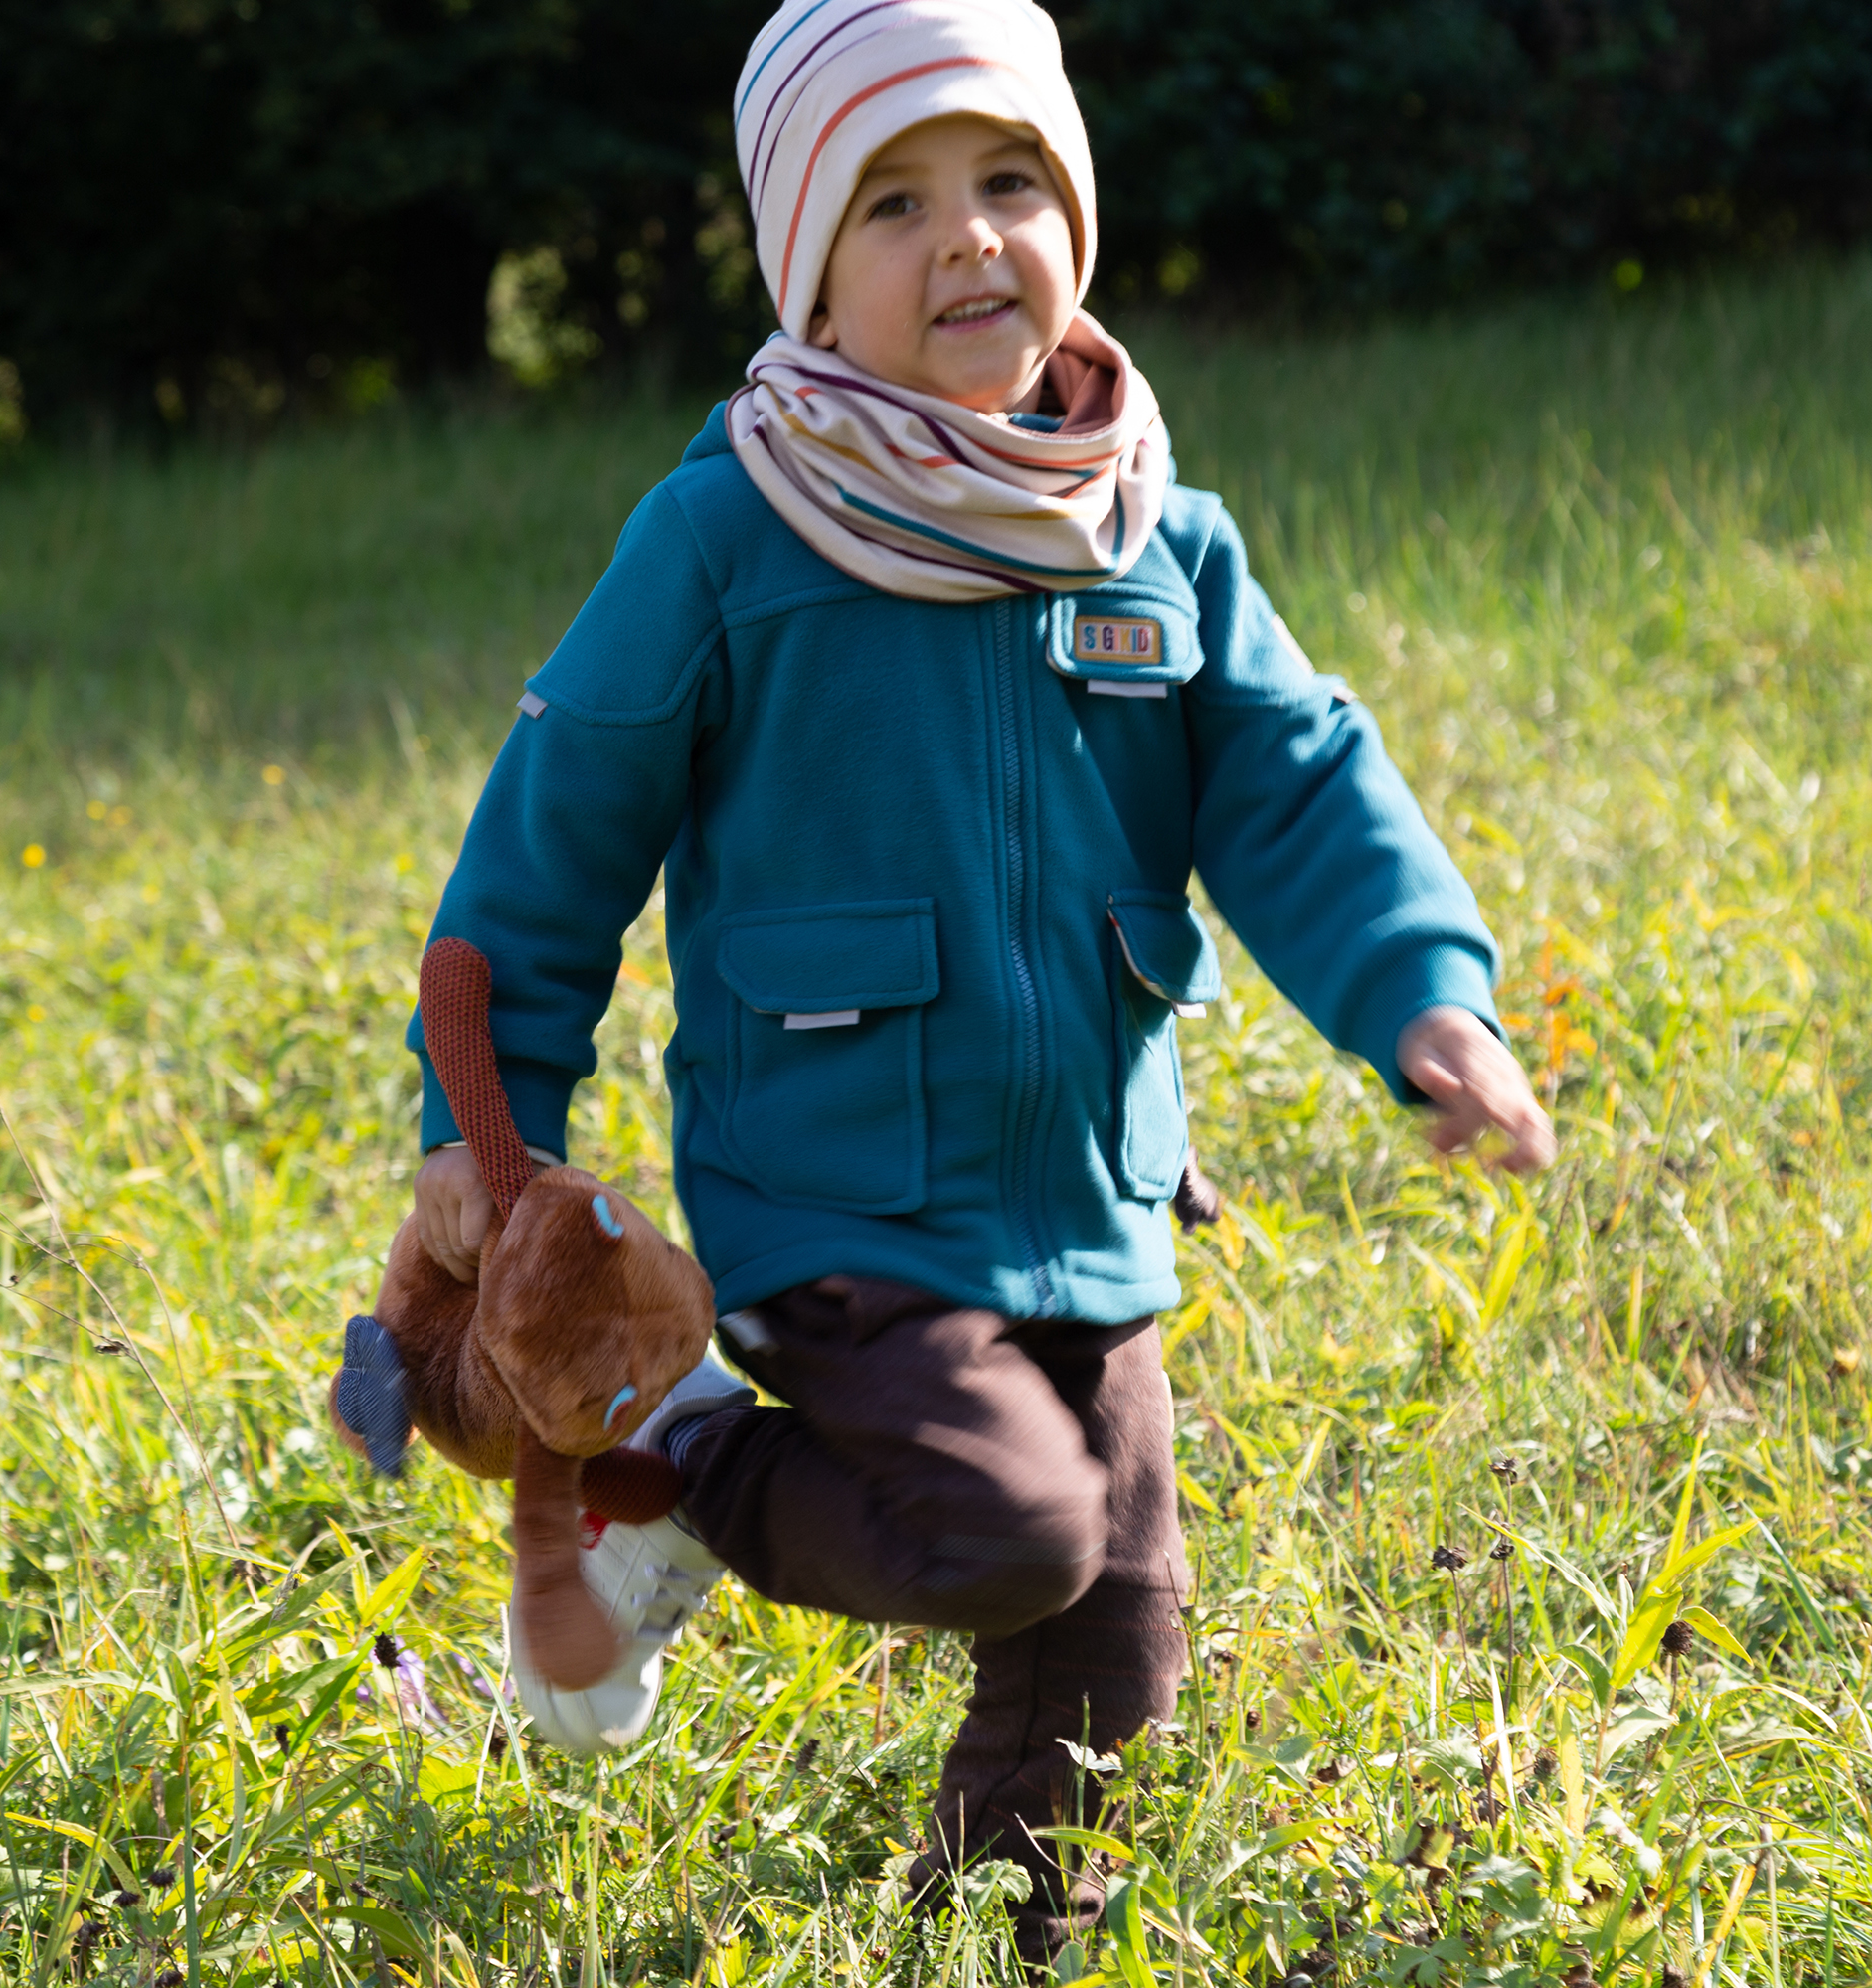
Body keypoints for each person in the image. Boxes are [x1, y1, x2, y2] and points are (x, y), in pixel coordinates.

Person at [406, 0, 1555, 1959]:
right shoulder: (728, 539)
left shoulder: (1150, 537)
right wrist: (483, 1129)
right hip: (836, 1184)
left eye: (1010, 178)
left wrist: (1417, 994)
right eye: (891, 201)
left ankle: (998, 1927)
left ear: (1075, 215)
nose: (967, 238)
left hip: (1083, 1190)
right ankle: (675, 1466)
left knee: (1116, 1612)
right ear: (805, 275)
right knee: (1005, 1534)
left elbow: (1298, 789)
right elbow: (549, 844)